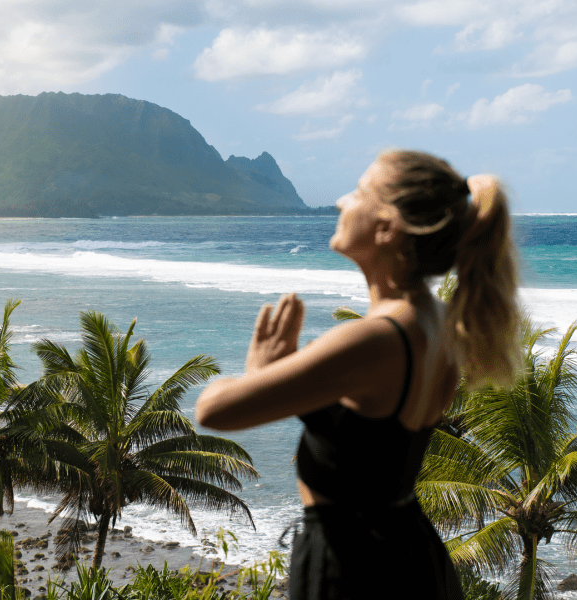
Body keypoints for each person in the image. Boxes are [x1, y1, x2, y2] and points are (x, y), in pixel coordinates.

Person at [195, 149, 522, 599]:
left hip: (357, 567)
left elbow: (213, 410)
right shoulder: (439, 322)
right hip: (405, 552)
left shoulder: (377, 339)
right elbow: (369, 443)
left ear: (386, 228)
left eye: (359, 192)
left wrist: (255, 373)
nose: (340, 201)